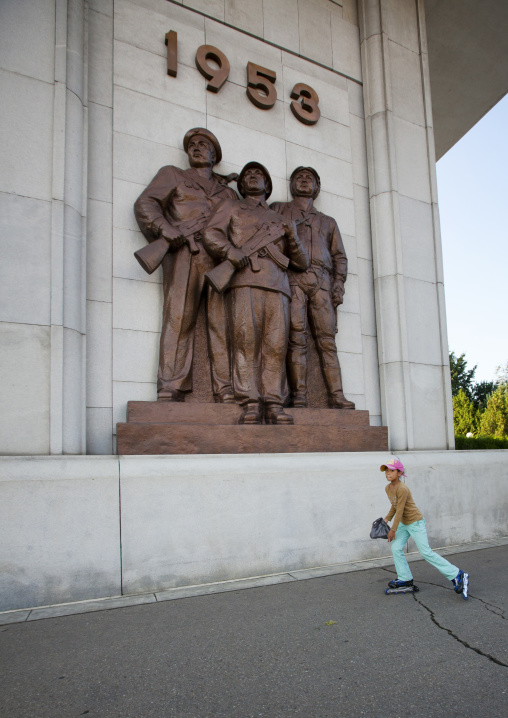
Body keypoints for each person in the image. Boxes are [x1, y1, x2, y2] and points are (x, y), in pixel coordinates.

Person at [134, 128, 237, 403]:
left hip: (219, 259)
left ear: (214, 155)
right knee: (178, 317)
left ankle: (226, 388)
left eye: (204, 145)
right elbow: (146, 203)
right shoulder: (173, 174)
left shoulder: (227, 191)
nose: (197, 147)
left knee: (222, 324)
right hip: (185, 254)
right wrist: (164, 229)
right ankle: (170, 385)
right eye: (192, 144)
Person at [202, 162, 309, 425]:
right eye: (248, 173)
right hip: (244, 281)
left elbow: (301, 262)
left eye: (259, 174)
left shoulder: (281, 219)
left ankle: (274, 402)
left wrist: (292, 237)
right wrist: (230, 252)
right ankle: (250, 401)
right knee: (245, 342)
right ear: (241, 184)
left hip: (278, 286)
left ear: (268, 185)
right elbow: (211, 233)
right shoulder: (232, 207)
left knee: (275, 346)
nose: (252, 176)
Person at [270, 166, 355, 409]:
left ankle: (336, 395)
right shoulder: (279, 209)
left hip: (322, 282)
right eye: (299, 177)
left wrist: (338, 284)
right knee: (296, 339)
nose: (304, 181)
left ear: (317, 187)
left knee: (327, 341)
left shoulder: (328, 222)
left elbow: (340, 257)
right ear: (291, 184)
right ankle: (299, 396)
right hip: (293, 277)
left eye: (309, 178)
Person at [381, 459, 469, 598]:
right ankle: (405, 578)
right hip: (404, 523)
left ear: (399, 472)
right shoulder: (388, 488)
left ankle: (457, 574)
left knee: (426, 552)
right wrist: (385, 520)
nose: (388, 473)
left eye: (391, 470)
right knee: (396, 548)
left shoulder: (402, 488)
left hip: (415, 522)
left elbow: (401, 510)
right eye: (386, 470)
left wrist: (392, 529)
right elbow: (395, 506)